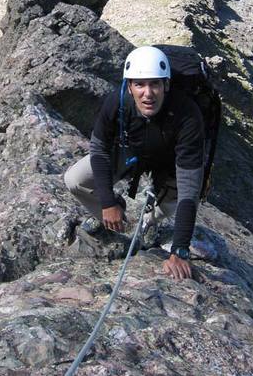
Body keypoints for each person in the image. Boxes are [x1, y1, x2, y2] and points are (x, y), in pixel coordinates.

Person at [64, 45, 205, 280]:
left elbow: (190, 189)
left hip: (170, 165)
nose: (147, 93)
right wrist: (108, 202)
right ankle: (118, 218)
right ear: (129, 87)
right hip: (130, 153)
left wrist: (180, 249)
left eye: (155, 84)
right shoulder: (116, 103)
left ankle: (147, 223)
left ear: (166, 85)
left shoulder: (188, 115)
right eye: (139, 84)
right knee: (74, 179)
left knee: (172, 207)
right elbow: (99, 151)